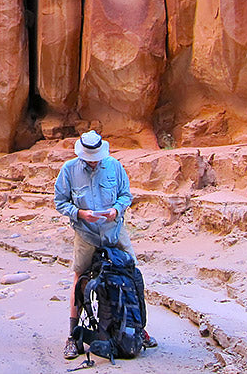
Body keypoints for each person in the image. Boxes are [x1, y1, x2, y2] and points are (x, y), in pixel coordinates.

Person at [54, 130, 157, 359]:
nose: (93, 162)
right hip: (86, 233)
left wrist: (116, 210)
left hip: (115, 230)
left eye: (96, 157)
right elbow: (60, 202)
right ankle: (72, 336)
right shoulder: (69, 170)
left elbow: (125, 195)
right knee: (79, 278)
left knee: (131, 275)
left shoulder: (114, 166)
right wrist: (80, 213)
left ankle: (138, 329)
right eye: (89, 158)